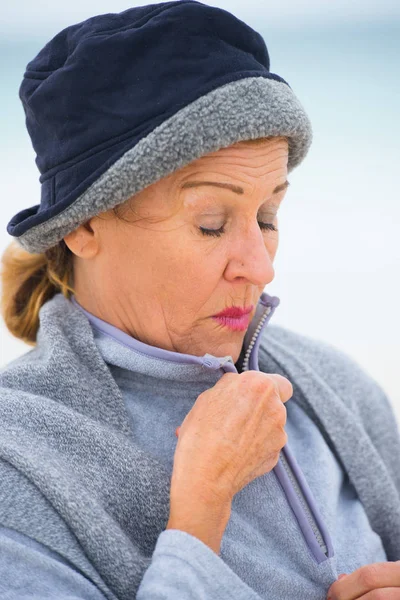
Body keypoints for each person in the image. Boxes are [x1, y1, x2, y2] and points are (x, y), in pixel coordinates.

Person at [1, 2, 400, 599]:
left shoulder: (334, 388)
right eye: (212, 222)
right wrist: (199, 513)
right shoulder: (19, 462)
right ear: (83, 226)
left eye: (268, 216)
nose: (261, 267)